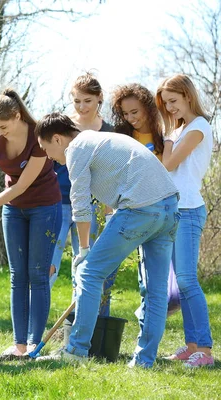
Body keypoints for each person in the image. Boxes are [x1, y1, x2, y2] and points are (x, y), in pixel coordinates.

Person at [35, 112, 179, 368]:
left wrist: (84, 249)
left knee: (89, 274)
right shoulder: (99, 140)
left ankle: (76, 352)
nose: (48, 156)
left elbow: (79, 203)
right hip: (169, 207)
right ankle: (144, 361)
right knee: (156, 291)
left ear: (57, 139)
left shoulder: (76, 148)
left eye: (46, 149)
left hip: (140, 209)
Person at [0, 88, 62, 359]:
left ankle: (34, 345)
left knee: (37, 275)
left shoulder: (38, 135)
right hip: (13, 211)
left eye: (3, 126)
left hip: (44, 207)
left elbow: (21, 186)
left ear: (17, 116)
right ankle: (19, 346)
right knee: (18, 276)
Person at [156, 74, 215, 367]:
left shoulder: (199, 127)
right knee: (182, 282)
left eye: (173, 101)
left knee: (189, 282)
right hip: (177, 208)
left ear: (188, 96)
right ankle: (192, 344)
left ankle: (204, 349)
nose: (169, 108)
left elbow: (169, 164)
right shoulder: (181, 129)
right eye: (166, 104)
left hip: (190, 209)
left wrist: (167, 137)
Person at [52, 72, 117, 317]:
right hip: (58, 201)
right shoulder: (62, 125)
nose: (81, 106)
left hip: (91, 204)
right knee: (50, 264)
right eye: (77, 100)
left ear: (99, 98)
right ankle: (34, 330)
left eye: (87, 100)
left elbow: (110, 172)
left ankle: (82, 321)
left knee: (85, 263)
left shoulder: (108, 130)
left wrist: (107, 210)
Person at [110, 83, 165, 334]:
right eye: (125, 114)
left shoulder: (163, 135)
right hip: (134, 209)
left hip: (162, 210)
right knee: (144, 279)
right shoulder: (125, 138)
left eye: (135, 112)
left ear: (148, 108)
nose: (131, 118)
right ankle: (146, 331)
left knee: (159, 281)